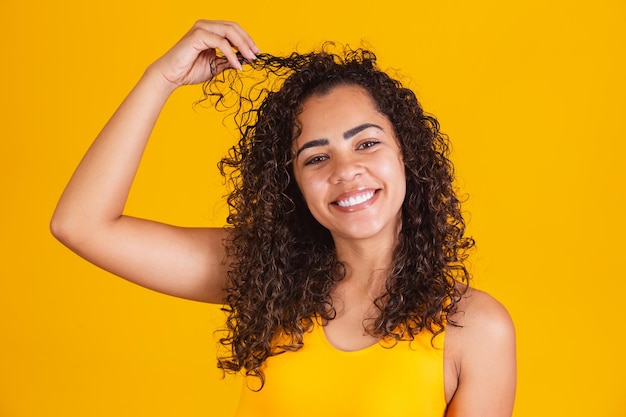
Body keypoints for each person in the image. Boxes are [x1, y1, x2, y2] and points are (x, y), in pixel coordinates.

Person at [51, 20, 516, 416]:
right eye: (315, 157)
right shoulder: (265, 277)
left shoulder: (473, 327)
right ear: (291, 182)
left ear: (406, 154)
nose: (345, 171)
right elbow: (81, 225)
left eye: (367, 143)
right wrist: (160, 79)